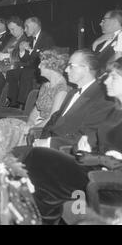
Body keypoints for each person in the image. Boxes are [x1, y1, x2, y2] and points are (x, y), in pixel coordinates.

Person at [23, 57, 122, 225]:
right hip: (96, 167)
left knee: (40, 160)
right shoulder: (115, 110)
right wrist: (89, 150)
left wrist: (98, 158)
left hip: (111, 182)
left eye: (113, 77)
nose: (106, 81)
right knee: (40, 166)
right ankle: (38, 218)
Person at [34, 49, 115, 150]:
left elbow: (87, 135)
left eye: (71, 66)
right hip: (48, 148)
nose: (66, 70)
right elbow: (53, 121)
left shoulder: (102, 97)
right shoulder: (72, 92)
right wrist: (40, 141)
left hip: (67, 153)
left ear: (86, 69)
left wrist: (49, 143)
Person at [7, 17, 55, 108]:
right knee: (11, 73)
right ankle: (13, 102)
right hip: (30, 67)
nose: (25, 30)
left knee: (26, 73)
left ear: (35, 26)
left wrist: (29, 49)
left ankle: (24, 104)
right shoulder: (30, 39)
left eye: (27, 27)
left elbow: (44, 56)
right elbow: (25, 59)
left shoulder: (46, 38)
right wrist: (22, 51)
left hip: (41, 68)